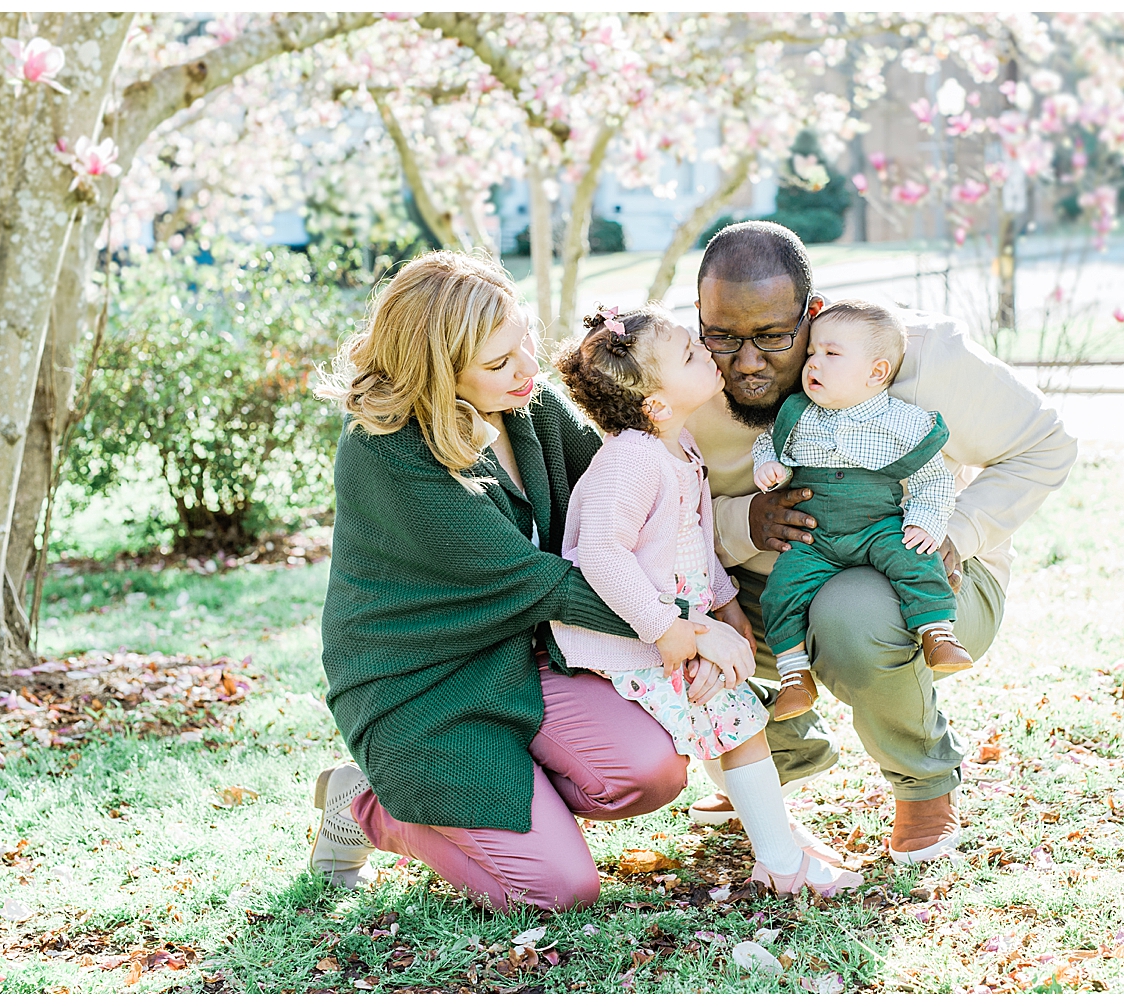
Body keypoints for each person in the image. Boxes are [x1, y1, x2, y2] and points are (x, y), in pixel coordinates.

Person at [307, 251, 753, 911]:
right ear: (435, 370)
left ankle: (504, 801)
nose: (526, 370)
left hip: (529, 655)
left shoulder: (527, 407)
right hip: (425, 687)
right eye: (498, 362)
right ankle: (370, 805)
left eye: (525, 343)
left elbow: (616, 514)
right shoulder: (386, 449)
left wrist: (718, 595)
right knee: (557, 890)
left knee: (650, 773)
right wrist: (687, 630)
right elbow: (537, 582)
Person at [685, 221, 1078, 864]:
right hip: (770, 586)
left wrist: (955, 533)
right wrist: (743, 522)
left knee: (854, 609)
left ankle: (924, 783)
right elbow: (657, 515)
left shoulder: (917, 353)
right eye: (723, 337)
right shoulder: (685, 376)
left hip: (925, 584)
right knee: (656, 606)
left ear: (812, 316)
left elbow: (1045, 444)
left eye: (774, 338)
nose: (747, 363)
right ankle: (769, 752)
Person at [550, 304, 863, 896]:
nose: (706, 352)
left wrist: (727, 606)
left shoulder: (676, 445)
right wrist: (666, 627)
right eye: (691, 353)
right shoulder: (631, 462)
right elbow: (600, 555)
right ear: (656, 405)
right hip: (640, 638)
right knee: (737, 721)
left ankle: (777, 845)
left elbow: (694, 545)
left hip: (680, 625)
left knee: (731, 715)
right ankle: (782, 864)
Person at [751, 299, 973, 723]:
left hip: (877, 524)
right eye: (812, 352)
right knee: (781, 586)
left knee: (916, 556)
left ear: (877, 372)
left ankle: (937, 632)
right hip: (813, 536)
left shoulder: (902, 422)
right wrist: (770, 466)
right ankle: (795, 674)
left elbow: (934, 477)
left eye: (831, 354)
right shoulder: (797, 415)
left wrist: (926, 520)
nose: (813, 363)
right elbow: (769, 443)